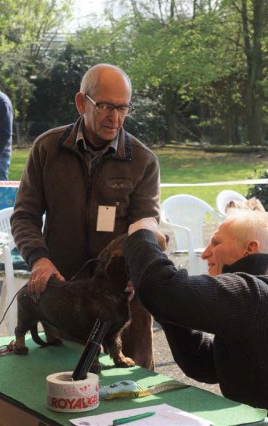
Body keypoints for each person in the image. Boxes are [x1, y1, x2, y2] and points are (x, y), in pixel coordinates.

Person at [123, 211, 268, 425]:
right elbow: (206, 365)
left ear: (250, 248)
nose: (205, 253)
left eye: (216, 243)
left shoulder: (256, 294)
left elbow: (163, 291)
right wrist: (168, 308)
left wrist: (141, 232)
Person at [11, 63, 160, 369]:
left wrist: (139, 262)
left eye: (123, 107)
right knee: (57, 395)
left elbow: (145, 225)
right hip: (65, 302)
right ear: (82, 102)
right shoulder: (47, 149)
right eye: (105, 106)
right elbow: (24, 215)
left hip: (124, 308)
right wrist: (39, 259)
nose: (115, 117)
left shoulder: (143, 160)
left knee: (128, 403)